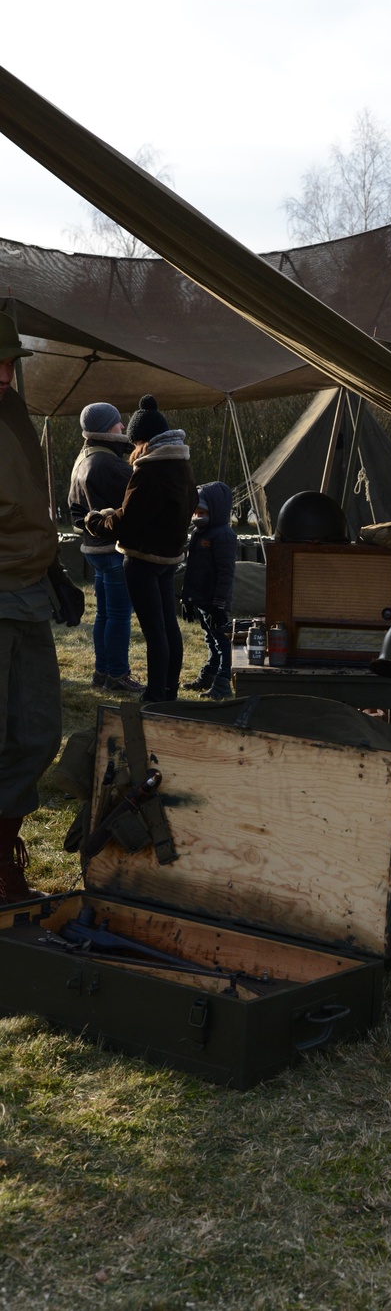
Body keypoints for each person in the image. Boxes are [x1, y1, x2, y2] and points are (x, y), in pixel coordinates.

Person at [0, 312, 61, 902]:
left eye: (8, 365)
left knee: (37, 732)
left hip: (29, 591)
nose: (2, 375)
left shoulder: (10, 408)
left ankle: (1, 855)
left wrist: (53, 566)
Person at [84, 395, 198, 705]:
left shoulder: (149, 470)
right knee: (169, 628)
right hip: (168, 558)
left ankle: (154, 695)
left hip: (142, 560)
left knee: (154, 632)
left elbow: (127, 520)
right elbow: (191, 504)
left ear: (141, 441)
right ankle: (169, 691)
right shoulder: (181, 465)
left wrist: (97, 522)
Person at [68, 402, 142, 693]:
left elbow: (75, 509)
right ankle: (117, 675)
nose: (123, 426)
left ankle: (101, 672)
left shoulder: (83, 457)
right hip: (112, 550)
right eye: (117, 423)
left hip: (93, 549)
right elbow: (134, 506)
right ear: (105, 428)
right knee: (119, 615)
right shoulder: (109, 464)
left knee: (104, 614)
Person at [180, 481, 237, 701]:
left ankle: (223, 683)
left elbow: (226, 573)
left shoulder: (223, 535)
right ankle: (209, 676)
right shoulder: (199, 533)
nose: (196, 516)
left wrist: (219, 604)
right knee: (210, 640)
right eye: (195, 512)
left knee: (222, 643)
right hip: (202, 600)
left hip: (215, 602)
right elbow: (192, 569)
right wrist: (187, 598)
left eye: (201, 512)